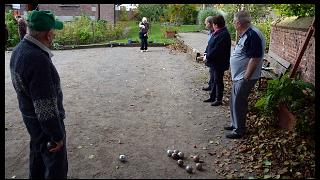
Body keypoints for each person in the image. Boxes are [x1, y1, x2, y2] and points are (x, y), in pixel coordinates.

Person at [10, 10, 68, 178]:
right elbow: (45, 107)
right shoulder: (38, 60)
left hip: (32, 122)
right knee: (55, 168)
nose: (54, 35)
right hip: (45, 127)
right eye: (54, 32)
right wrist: (56, 135)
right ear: (48, 35)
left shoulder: (19, 49)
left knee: (38, 161)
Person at [225, 10, 265, 139]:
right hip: (239, 76)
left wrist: (246, 77)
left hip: (245, 77)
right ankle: (234, 124)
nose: (233, 24)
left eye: (234, 22)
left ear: (238, 23)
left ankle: (239, 130)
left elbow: (255, 59)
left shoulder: (253, 35)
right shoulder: (246, 33)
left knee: (239, 103)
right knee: (234, 100)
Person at [202, 15, 231, 106]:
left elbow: (217, 50)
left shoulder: (223, 34)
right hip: (214, 62)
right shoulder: (218, 32)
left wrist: (207, 57)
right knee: (214, 80)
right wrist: (206, 53)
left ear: (215, 24)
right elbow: (210, 44)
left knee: (218, 81)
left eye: (213, 24)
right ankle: (212, 97)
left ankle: (218, 99)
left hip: (219, 62)